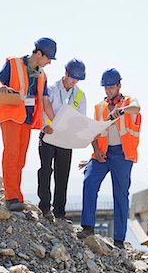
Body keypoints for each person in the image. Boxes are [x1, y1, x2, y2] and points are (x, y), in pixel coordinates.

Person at [78, 68, 141, 249]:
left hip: (123, 155)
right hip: (102, 153)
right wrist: (96, 150)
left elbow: (137, 107)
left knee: (120, 195)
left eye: (111, 87)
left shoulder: (129, 102)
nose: (108, 90)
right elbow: (93, 132)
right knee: (89, 180)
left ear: (119, 86)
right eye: (105, 87)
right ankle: (87, 227)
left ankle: (119, 240)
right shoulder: (99, 107)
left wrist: (121, 111)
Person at [0, 37, 56, 211]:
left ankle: (16, 195)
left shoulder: (42, 75)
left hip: (27, 119)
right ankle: (11, 197)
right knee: (11, 154)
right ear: (38, 53)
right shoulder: (13, 64)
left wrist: (55, 121)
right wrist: (0, 88)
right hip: (11, 115)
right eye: (48, 58)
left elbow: (45, 101)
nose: (49, 62)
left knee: (20, 159)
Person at [38, 59, 87, 222]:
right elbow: (42, 109)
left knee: (62, 175)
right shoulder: (51, 88)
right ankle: (44, 207)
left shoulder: (80, 95)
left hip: (66, 140)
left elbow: (81, 119)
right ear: (65, 73)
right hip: (48, 135)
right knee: (45, 171)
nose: (74, 82)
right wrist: (45, 126)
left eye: (77, 79)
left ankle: (59, 212)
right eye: (72, 77)